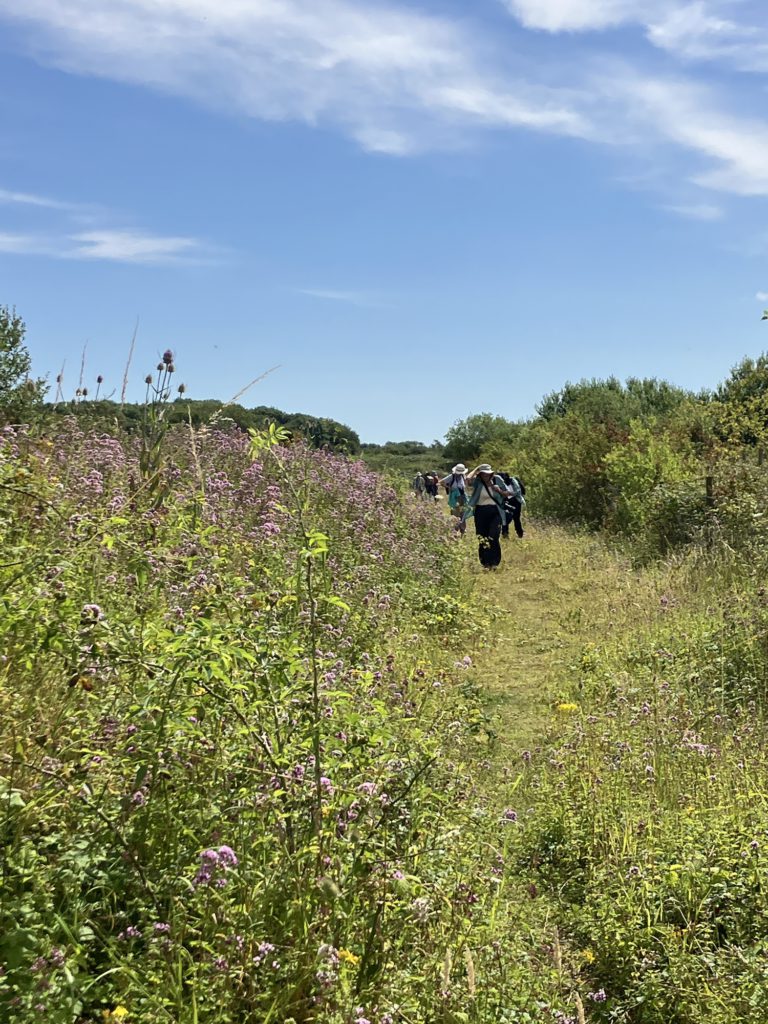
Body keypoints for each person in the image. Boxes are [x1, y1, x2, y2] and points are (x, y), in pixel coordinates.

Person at [463, 464, 509, 569]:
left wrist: (498, 490)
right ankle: (485, 562)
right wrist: (476, 469)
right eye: (483, 473)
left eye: (487, 473)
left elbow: (508, 493)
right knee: (482, 537)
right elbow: (468, 479)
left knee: (493, 535)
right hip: (481, 511)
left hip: (495, 511)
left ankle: (494, 562)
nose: (485, 476)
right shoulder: (478, 481)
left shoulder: (497, 480)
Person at [440, 463, 468, 534]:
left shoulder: (463, 476)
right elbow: (441, 482)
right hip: (455, 499)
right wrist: (449, 488)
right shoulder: (451, 476)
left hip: (462, 497)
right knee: (455, 516)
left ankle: (463, 531)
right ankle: (455, 532)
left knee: (463, 515)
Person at [500, 473, 525, 539]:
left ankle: (520, 534)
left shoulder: (513, 481)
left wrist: (510, 493)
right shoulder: (499, 483)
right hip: (506, 501)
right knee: (505, 517)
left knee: (516, 518)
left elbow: (518, 491)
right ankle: (505, 534)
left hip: (516, 501)